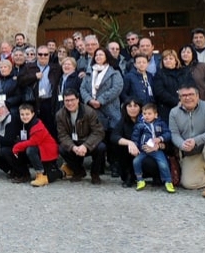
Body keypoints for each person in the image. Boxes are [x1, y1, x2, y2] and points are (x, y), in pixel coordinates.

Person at [80, 47, 124, 177]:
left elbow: (117, 88)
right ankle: (99, 166)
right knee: (98, 138)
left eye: (101, 55)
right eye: (96, 55)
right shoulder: (89, 72)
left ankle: (114, 165)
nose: (98, 57)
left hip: (110, 110)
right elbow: (82, 88)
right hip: (93, 111)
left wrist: (100, 100)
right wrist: (89, 100)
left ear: (107, 57)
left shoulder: (114, 72)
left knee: (112, 140)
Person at [56, 88, 106, 184]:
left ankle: (95, 174)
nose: (70, 103)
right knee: (62, 148)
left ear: (78, 100)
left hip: (88, 141)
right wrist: (73, 147)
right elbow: (62, 135)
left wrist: (85, 146)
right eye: (67, 100)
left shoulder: (89, 112)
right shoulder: (60, 115)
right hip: (74, 142)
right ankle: (78, 171)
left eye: (72, 100)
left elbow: (98, 132)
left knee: (101, 147)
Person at [11, 104, 62, 187]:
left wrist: (17, 147)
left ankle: (44, 173)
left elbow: (33, 142)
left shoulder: (38, 126)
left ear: (33, 114)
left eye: (27, 114)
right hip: (39, 151)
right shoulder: (24, 124)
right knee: (23, 150)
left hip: (47, 152)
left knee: (30, 149)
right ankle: (24, 174)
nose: (25, 117)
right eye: (22, 114)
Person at [131, 103, 175, 193]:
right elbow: (135, 137)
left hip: (156, 149)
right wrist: (136, 147)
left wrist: (160, 139)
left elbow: (168, 134)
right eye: (144, 113)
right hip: (144, 149)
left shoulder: (161, 124)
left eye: (149, 113)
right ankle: (140, 180)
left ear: (156, 115)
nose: (146, 116)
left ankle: (168, 181)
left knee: (163, 163)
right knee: (136, 161)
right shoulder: (140, 125)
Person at [153, 49, 188, 123]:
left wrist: (184, 101)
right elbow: (160, 92)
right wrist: (176, 102)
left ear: (176, 60)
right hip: (166, 109)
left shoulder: (184, 72)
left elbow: (191, 86)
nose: (168, 60)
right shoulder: (159, 74)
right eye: (165, 59)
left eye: (171, 58)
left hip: (185, 107)